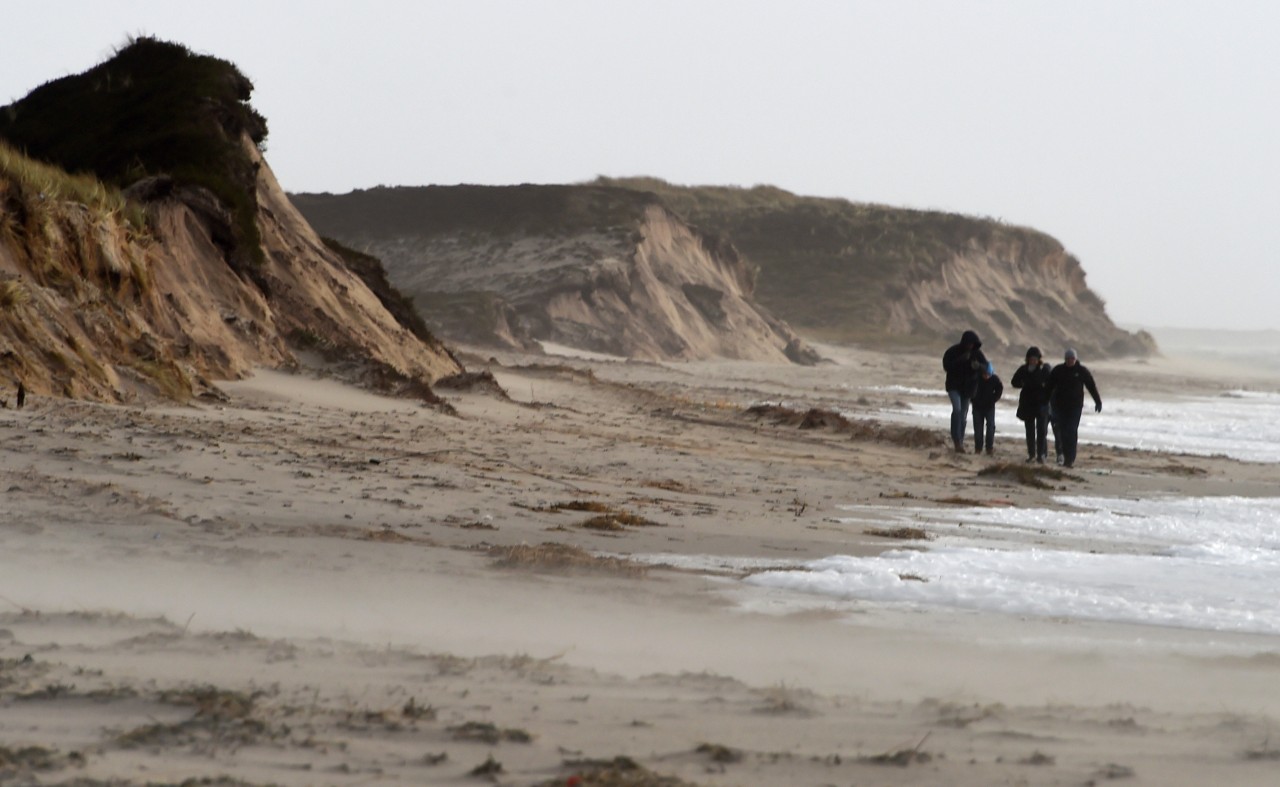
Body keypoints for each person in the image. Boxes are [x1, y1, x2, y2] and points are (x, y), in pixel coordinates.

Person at [1046, 348, 1102, 469]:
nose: (1069, 361)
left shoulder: (1081, 371)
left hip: (1075, 407)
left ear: (1075, 359)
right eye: (1067, 359)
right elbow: (1049, 387)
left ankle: (1070, 459)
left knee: (1071, 430)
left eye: (1072, 359)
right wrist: (1044, 400)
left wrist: (1097, 401)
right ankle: (1066, 456)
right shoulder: (1058, 370)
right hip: (1060, 406)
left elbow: (1091, 386)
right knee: (1063, 432)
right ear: (1065, 359)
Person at [942, 330, 988, 453]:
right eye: (968, 343)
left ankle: (960, 441)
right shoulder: (953, 351)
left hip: (968, 389)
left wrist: (978, 366)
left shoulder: (977, 353)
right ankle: (956, 440)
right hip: (954, 386)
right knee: (957, 410)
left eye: (972, 344)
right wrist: (960, 360)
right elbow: (946, 366)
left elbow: (987, 368)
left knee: (963, 415)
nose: (970, 346)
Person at [1011, 346, 1052, 463]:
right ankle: (1031, 454)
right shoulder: (1023, 369)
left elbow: (1051, 384)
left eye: (1035, 358)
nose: (1033, 360)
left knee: (1041, 431)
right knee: (1029, 431)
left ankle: (1041, 455)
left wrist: (1046, 392)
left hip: (1041, 404)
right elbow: (1014, 382)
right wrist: (1023, 383)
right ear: (1027, 359)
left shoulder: (1044, 370)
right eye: (1031, 358)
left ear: (1039, 359)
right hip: (1027, 404)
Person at [971, 362, 1003, 455]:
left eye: (988, 374)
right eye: (985, 374)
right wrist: (973, 399)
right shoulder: (977, 378)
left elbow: (999, 389)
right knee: (978, 429)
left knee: (990, 427)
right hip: (977, 407)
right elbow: (971, 388)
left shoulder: (994, 379)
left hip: (989, 407)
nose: (986, 376)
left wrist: (994, 399)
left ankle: (989, 448)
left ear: (991, 373)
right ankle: (978, 448)